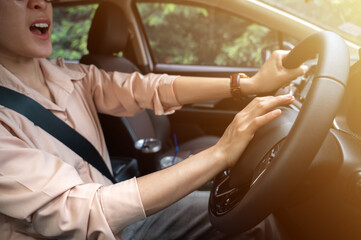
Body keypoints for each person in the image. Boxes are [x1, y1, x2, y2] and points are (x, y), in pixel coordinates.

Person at [0, 0, 307, 239]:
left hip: (118, 214)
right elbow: (80, 211)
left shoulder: (72, 75)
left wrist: (247, 85)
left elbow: (148, 88)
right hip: (92, 229)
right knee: (251, 220)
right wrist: (220, 153)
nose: (41, 3)